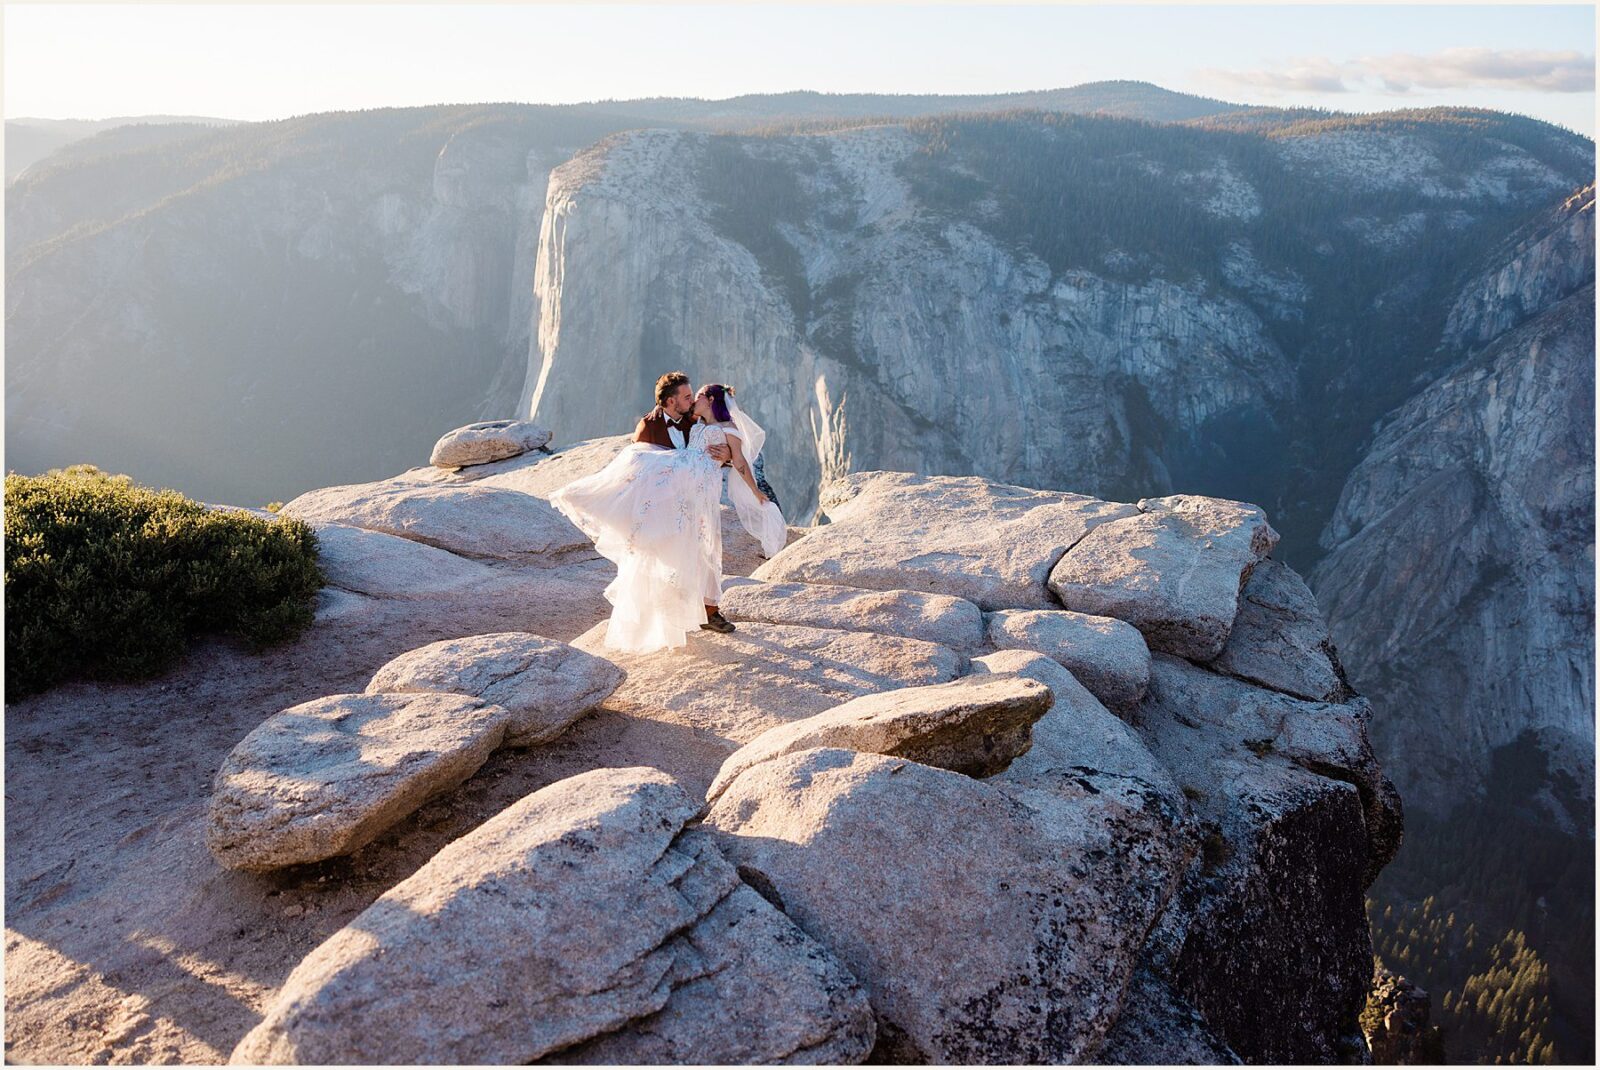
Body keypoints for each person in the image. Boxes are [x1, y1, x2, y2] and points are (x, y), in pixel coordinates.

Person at [548, 371, 738, 653]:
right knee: (661, 562)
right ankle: (666, 619)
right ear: (671, 402)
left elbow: (720, 441)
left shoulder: (694, 419)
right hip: (660, 505)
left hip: (692, 503)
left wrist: (728, 457)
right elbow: (637, 470)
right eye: (686, 396)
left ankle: (709, 611)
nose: (692, 399)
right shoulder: (647, 428)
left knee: (703, 552)